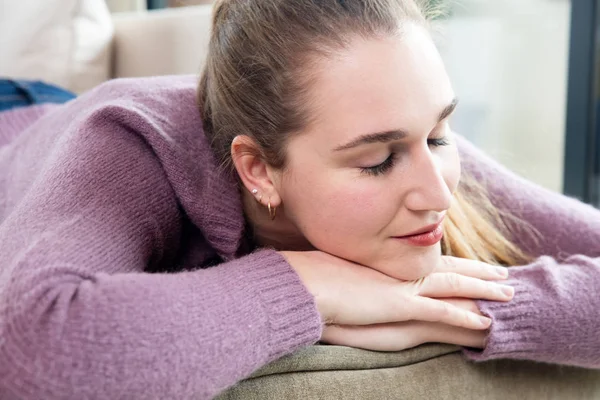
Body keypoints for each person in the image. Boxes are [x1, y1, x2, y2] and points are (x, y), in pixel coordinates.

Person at [0, 0, 598, 398]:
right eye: (377, 162)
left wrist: (459, 313)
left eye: (440, 133)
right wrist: (304, 284)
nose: (439, 191)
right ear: (257, 170)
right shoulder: (125, 143)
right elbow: (35, 352)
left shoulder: (403, 132)